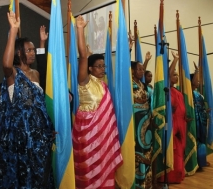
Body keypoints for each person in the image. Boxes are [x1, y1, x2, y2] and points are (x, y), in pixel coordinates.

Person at [0, 11, 54, 188]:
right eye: (29, 50)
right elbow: (6, 64)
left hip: (39, 136)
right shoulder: (13, 74)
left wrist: (48, 127)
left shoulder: (36, 74)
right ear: (19, 52)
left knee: (41, 175)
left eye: (33, 50)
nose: (32, 53)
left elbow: (41, 105)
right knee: (24, 177)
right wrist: (13, 30)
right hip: (21, 138)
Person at [72, 15, 123, 188]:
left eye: (104, 66)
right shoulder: (84, 80)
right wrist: (80, 30)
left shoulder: (103, 85)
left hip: (104, 138)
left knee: (105, 167)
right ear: (90, 69)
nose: (103, 69)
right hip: (88, 136)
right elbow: (83, 56)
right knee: (90, 171)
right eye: (99, 66)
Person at [131, 61, 152, 189]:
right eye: (139, 69)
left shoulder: (143, 86)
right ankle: (137, 183)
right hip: (135, 123)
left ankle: (146, 182)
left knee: (147, 151)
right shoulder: (129, 84)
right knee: (137, 151)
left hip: (146, 122)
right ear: (132, 70)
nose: (141, 71)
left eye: (143, 69)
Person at [167, 51, 186, 183]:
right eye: (174, 75)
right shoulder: (166, 90)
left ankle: (179, 174)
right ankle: (170, 177)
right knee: (173, 155)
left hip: (181, 128)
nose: (176, 77)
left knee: (179, 154)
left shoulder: (177, 92)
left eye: (177, 75)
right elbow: (168, 76)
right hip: (172, 128)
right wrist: (175, 60)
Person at [190, 66, 211, 171]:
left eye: (199, 80)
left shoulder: (198, 94)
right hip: (195, 121)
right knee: (196, 142)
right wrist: (197, 71)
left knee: (202, 142)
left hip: (202, 121)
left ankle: (201, 161)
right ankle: (195, 163)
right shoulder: (189, 93)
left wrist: (205, 111)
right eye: (196, 80)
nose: (198, 82)